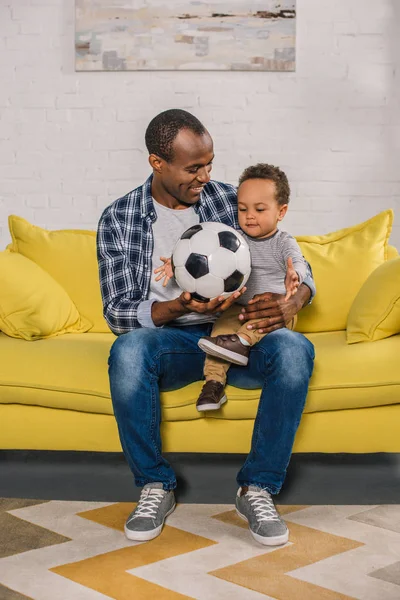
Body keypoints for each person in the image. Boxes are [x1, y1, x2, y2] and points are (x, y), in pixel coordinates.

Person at [97, 109, 315, 547]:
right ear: (157, 163)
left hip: (237, 337)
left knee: (294, 349)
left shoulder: (228, 200)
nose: (205, 176)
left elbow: (285, 249)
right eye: (193, 168)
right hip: (174, 343)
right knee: (127, 352)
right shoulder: (119, 219)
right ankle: (155, 484)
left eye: (210, 163)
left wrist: (297, 295)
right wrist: (178, 305)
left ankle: (257, 488)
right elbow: (118, 312)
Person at [154, 163, 308, 413]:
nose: (249, 216)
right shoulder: (233, 239)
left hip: (271, 311)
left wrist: (295, 275)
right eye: (242, 208)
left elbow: (297, 263)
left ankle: (241, 340)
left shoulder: (283, 242)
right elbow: (207, 255)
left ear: (281, 212)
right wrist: (177, 263)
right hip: (237, 308)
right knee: (218, 337)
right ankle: (213, 385)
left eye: (259, 209)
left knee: (252, 326)